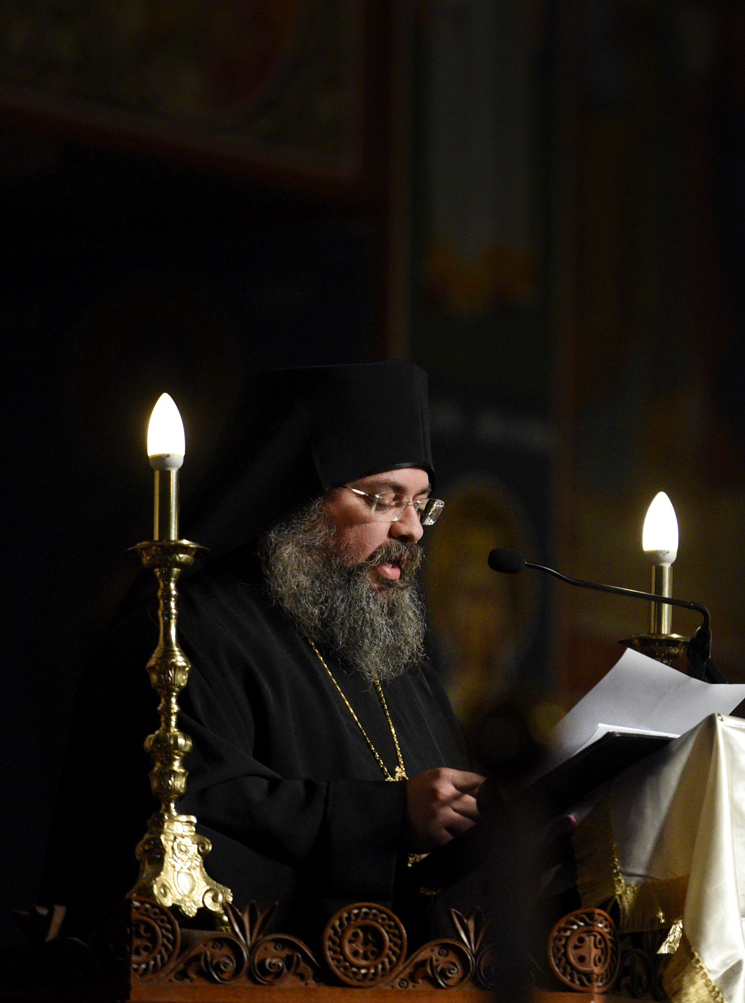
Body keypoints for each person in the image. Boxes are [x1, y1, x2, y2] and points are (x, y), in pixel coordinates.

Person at [43, 362, 482, 934]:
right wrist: (385, 817)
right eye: (382, 500)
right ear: (299, 499)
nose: (412, 530)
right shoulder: (190, 627)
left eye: (422, 503)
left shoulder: (394, 654)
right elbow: (192, 811)